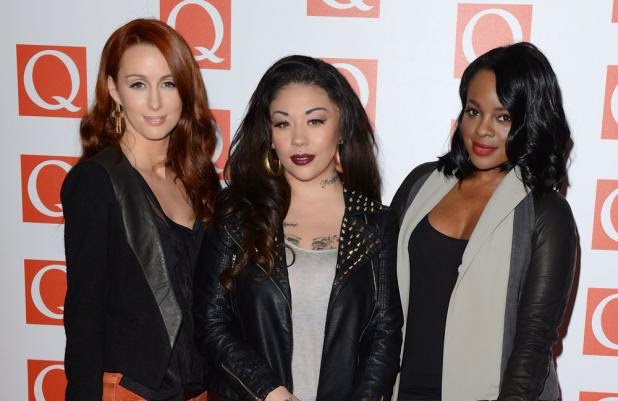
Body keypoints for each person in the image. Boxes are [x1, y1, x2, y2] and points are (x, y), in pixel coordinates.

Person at [193, 55, 403, 401]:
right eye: (283, 124)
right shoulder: (239, 214)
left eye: (315, 121)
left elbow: (384, 336)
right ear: (269, 134)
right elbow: (211, 322)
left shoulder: (375, 223)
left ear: (342, 127)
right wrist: (269, 392)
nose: (299, 139)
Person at [391, 42, 577, 401]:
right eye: (473, 112)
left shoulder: (545, 213)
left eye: (503, 117)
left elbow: (534, 342)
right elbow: (379, 302)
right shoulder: (420, 185)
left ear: (531, 120)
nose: (482, 130)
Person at [61, 18, 220, 401]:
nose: (155, 102)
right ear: (114, 89)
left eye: (168, 83)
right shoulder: (97, 182)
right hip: (132, 391)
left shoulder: (199, 177)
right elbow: (84, 315)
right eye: (138, 84)